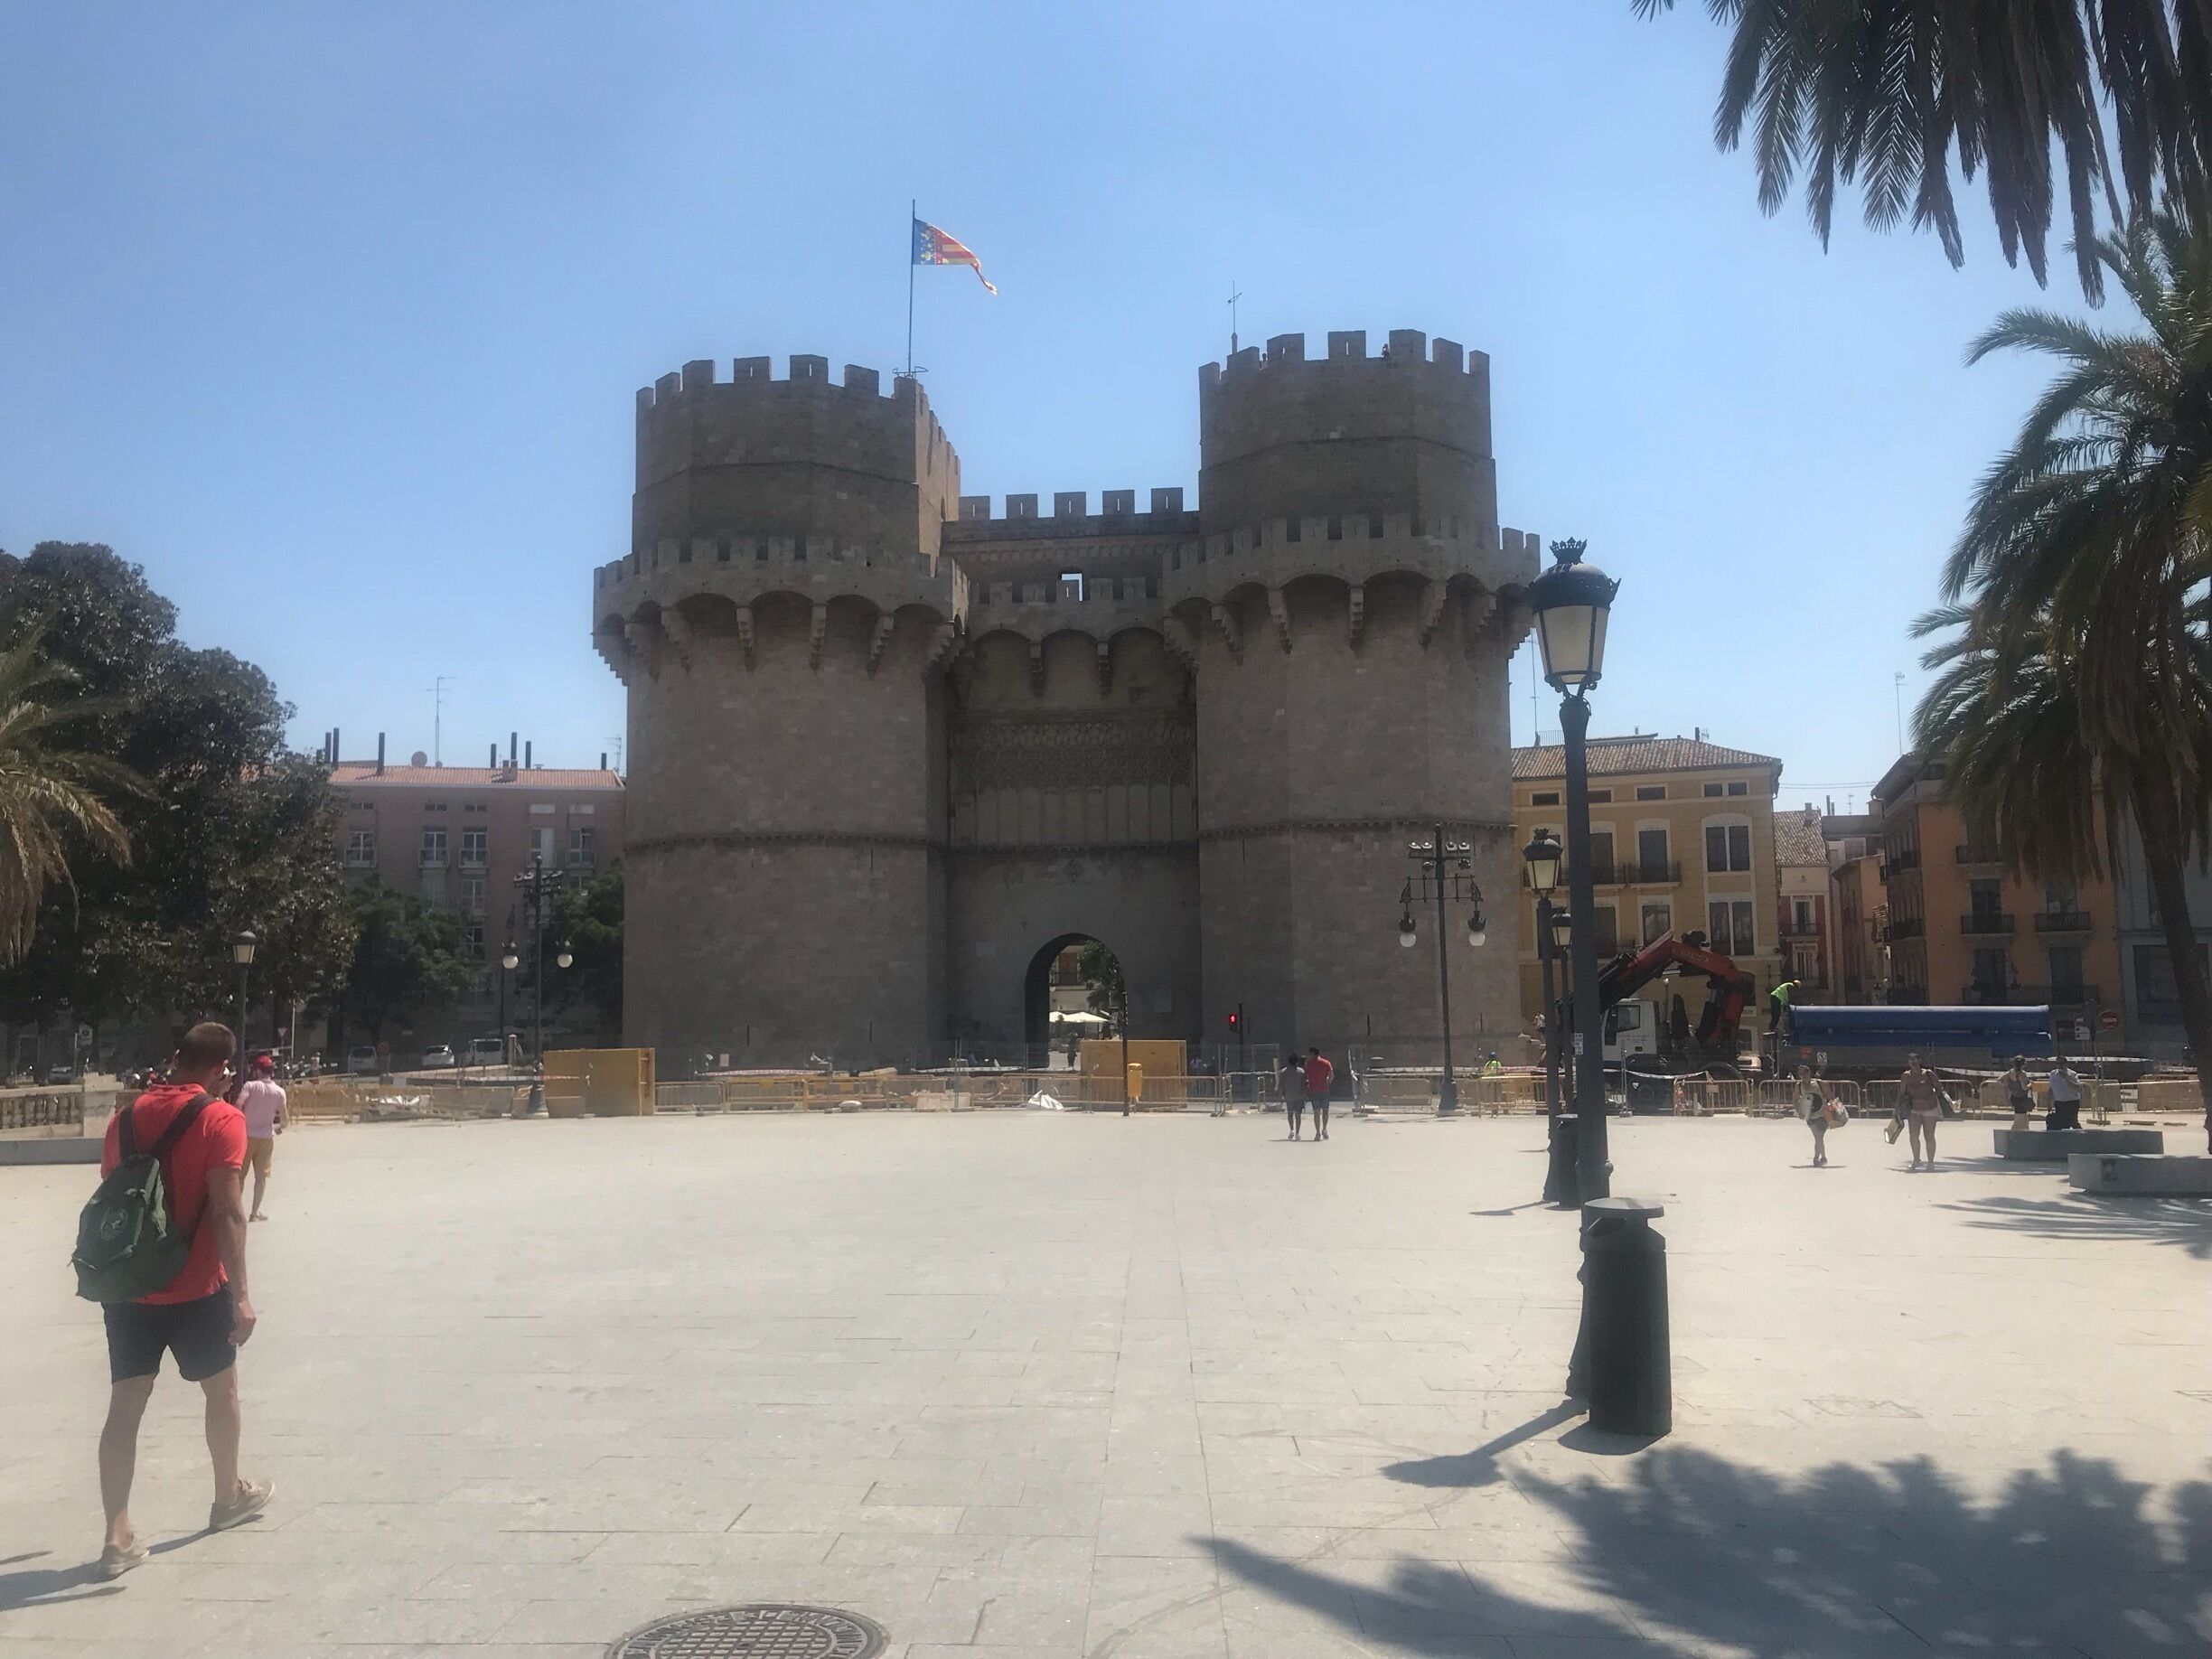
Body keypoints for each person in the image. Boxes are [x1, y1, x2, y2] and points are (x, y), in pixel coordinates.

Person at [94, 1022, 270, 1579]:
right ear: (221, 1071)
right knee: (222, 1392)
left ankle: (117, 1534)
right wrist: (241, 1294)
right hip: (198, 1288)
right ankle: (227, 1497)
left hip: (131, 1289)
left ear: (175, 1058)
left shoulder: (122, 1120)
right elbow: (227, 1211)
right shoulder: (223, 1119)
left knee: (125, 1408)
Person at [234, 1054, 287, 1222]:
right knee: (261, 1177)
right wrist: (276, 1129)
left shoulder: (250, 1086)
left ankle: (236, 1212)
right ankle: (254, 1213)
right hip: (265, 1138)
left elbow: (238, 1104)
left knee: (239, 1177)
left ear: (257, 1070)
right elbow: (285, 1120)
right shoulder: (279, 1092)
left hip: (246, 1136)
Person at [1898, 1052, 1945, 1169]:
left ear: (1919, 1061)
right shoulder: (1906, 1076)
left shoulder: (1928, 1074)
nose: (1913, 1063)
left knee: (1929, 1136)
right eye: (1910, 1060)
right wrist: (1897, 1109)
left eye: (1915, 1060)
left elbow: (1939, 1088)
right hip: (1914, 1109)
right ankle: (1916, 1160)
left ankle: (1930, 1162)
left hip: (1930, 1108)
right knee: (1913, 1136)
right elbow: (1902, 1093)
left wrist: (1931, 1096)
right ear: (1908, 1063)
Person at [1795, 1063, 1831, 1167]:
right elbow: (1795, 1099)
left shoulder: (1819, 1083)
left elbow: (1829, 1095)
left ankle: (1823, 1157)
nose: (1803, 1076)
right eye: (1801, 1074)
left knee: (1819, 1137)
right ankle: (1817, 1158)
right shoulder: (1798, 1086)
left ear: (1809, 1072)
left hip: (1822, 1114)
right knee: (1818, 1136)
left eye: (1804, 1073)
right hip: (1810, 1115)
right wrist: (1799, 1111)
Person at [1304, 1048, 1336, 1140]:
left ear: (1313, 1054)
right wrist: (1327, 1083)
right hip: (1324, 1090)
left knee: (1316, 1112)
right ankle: (1324, 1129)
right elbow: (1331, 1075)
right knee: (1325, 1111)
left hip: (1314, 1091)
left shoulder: (1309, 1065)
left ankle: (1317, 1132)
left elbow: (1307, 1077)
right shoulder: (1326, 1063)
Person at [2047, 1055, 2085, 1131]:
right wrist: (2049, 1104)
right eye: (2057, 1063)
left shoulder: (2072, 1074)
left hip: (2071, 1102)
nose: (2059, 1066)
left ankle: (2081, 1137)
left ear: (2066, 1064)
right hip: (2059, 1102)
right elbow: (2051, 1089)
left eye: (2062, 1063)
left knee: (2073, 1122)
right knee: (2062, 1124)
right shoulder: (2053, 1074)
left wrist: (2066, 1078)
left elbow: (2078, 1088)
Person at [2003, 1054, 2036, 1131]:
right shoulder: (2022, 1074)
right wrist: (2030, 1084)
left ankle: (2020, 1131)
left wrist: (2009, 1085)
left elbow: (2000, 1080)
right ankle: (2017, 1133)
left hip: (2014, 1097)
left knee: (2019, 1115)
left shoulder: (2010, 1072)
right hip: (2021, 1098)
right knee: (2021, 1117)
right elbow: (2024, 1087)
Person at [1280, 1050, 1305, 1140]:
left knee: (1290, 1114)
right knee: (1298, 1115)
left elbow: (1281, 1084)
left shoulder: (1283, 1071)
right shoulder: (1301, 1072)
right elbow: (1304, 1084)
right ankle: (1297, 1133)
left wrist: (1282, 1094)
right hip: (1299, 1096)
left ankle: (1291, 1130)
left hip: (1289, 1095)